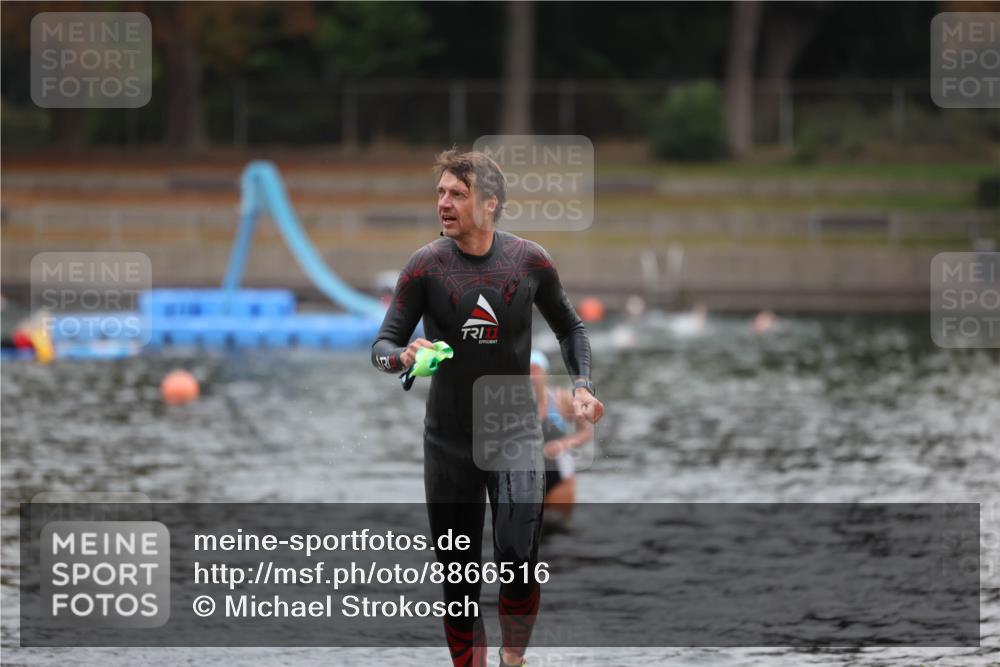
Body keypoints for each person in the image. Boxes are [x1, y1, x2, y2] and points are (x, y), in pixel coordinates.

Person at [371, 149, 604, 667]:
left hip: (513, 432)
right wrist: (403, 357)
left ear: (491, 203)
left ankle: (512, 661)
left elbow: (571, 327)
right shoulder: (425, 267)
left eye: (458, 193)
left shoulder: (529, 261)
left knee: (519, 560)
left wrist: (582, 385)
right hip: (448, 442)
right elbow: (381, 347)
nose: (444, 203)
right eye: (440, 193)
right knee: (459, 580)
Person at [529, 350, 593, 524]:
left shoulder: (561, 399)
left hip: (559, 479)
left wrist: (563, 444)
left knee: (560, 532)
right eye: (527, 371)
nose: (532, 375)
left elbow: (586, 432)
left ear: (545, 372)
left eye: (536, 369)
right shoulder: (514, 405)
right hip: (527, 481)